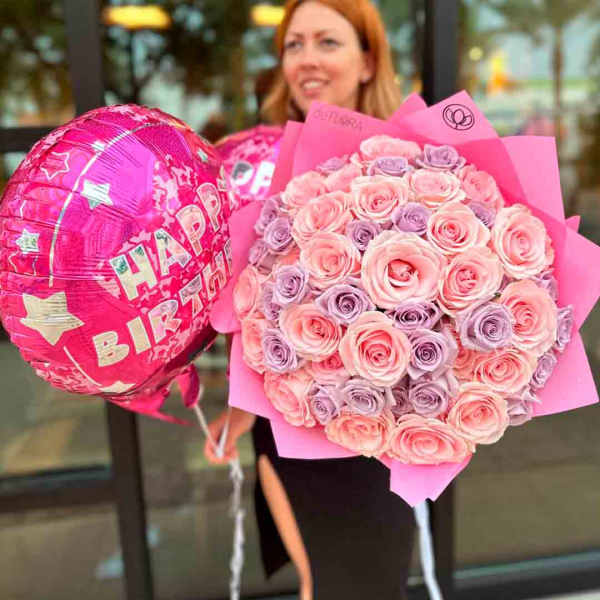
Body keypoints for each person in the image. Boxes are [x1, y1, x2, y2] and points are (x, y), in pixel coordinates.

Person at [205, 2, 415, 598]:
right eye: (294, 45)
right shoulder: (260, 168)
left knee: (369, 585)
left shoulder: (417, 162)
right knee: (322, 585)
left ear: (368, 60)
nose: (306, 59)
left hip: (385, 427)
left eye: (327, 42)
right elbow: (251, 305)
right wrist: (243, 407)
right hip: (292, 421)